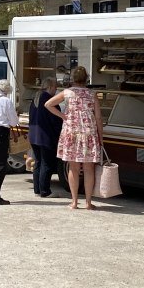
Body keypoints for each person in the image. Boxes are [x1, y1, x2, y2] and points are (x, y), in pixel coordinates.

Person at [45, 65, 103, 210]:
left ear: (72, 79)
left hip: (71, 132)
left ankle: (74, 202)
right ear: (86, 78)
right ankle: (89, 202)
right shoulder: (92, 94)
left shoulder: (67, 93)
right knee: (89, 169)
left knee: (73, 168)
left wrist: (64, 116)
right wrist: (100, 137)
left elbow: (48, 104)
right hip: (89, 133)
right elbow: (98, 117)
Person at [28, 77, 62, 197]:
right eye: (55, 87)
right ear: (51, 87)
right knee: (47, 163)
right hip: (46, 135)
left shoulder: (35, 97)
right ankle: (45, 191)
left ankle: (37, 190)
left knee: (38, 162)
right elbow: (55, 119)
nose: (56, 89)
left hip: (33, 134)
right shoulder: (49, 99)